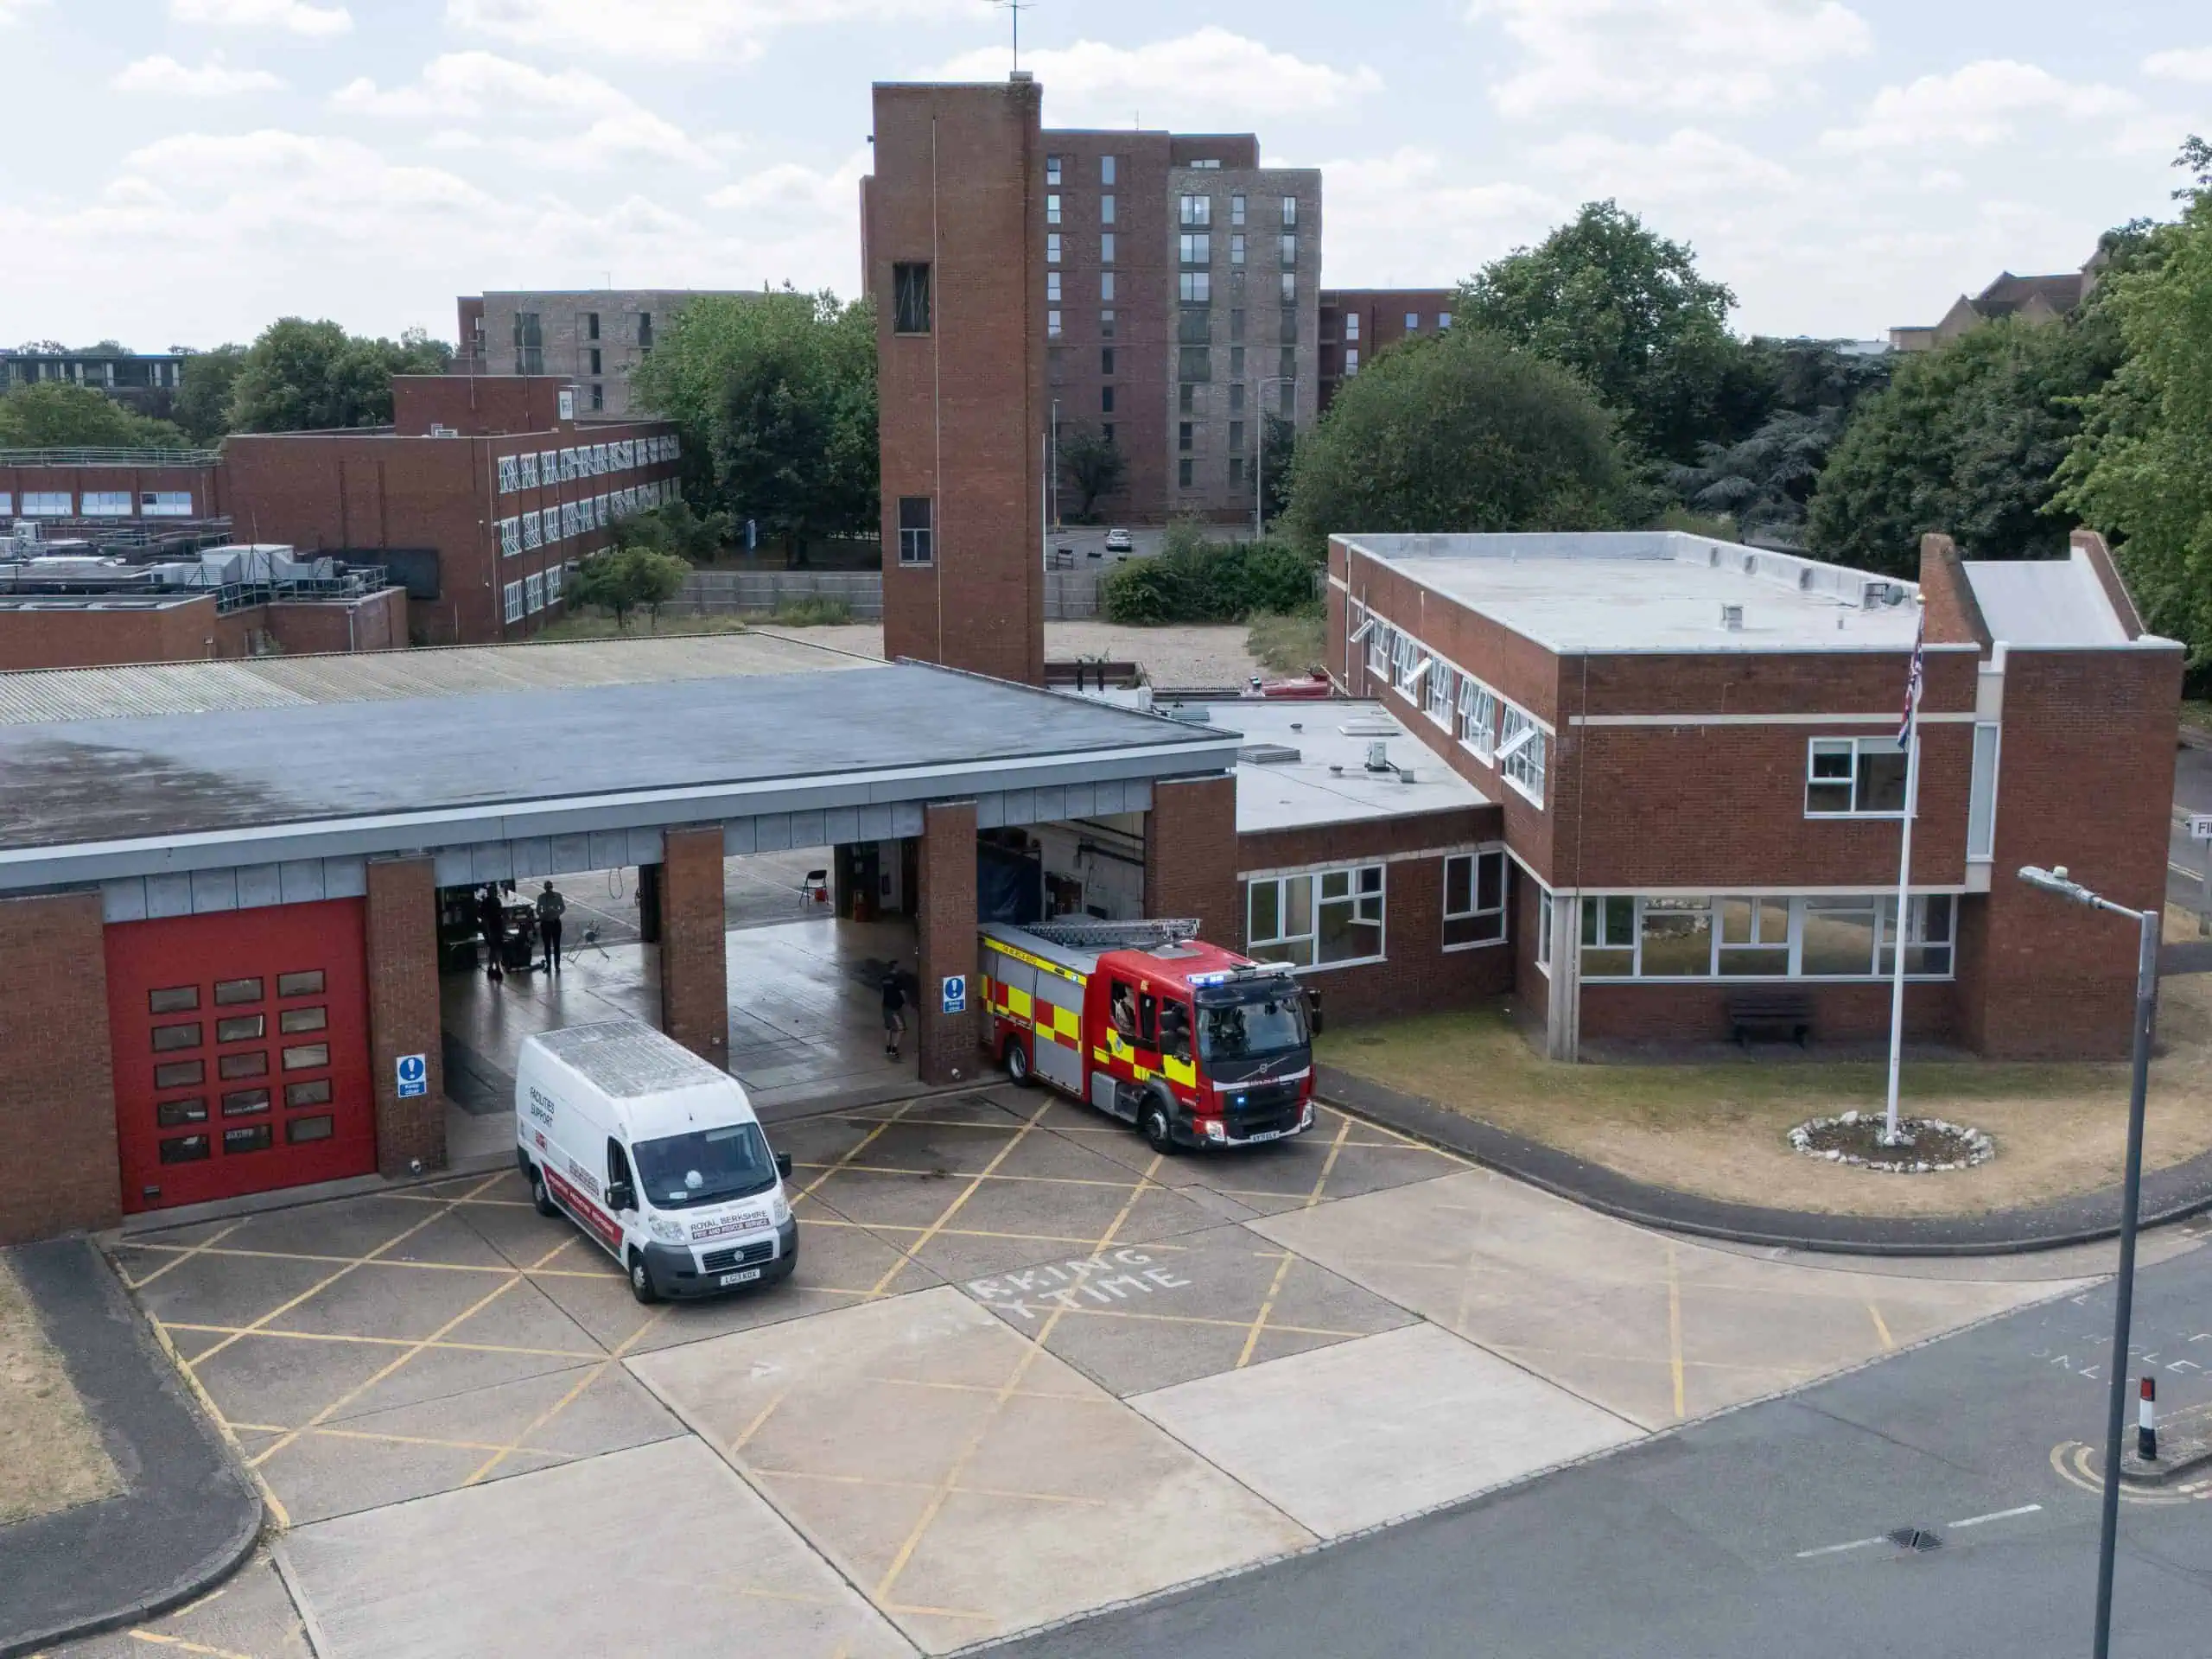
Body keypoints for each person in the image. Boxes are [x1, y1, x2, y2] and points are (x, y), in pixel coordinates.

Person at [537, 880, 567, 973]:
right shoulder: (541, 897)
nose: (549, 890)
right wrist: (543, 915)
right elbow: (538, 909)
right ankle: (549, 965)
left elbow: (562, 908)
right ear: (545, 888)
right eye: (547, 888)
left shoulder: (558, 896)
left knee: (556, 945)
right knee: (547, 946)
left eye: (550, 888)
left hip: (555, 922)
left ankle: (557, 966)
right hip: (546, 922)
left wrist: (556, 913)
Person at [477, 885, 505, 983]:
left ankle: (492, 966)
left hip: (495, 927)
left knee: (494, 949)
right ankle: (496, 967)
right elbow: (484, 918)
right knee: (495, 948)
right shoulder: (488, 902)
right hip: (492, 927)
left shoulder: (493, 901)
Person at [881, 967, 907, 1060]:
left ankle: (888, 1047)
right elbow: (902, 993)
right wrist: (905, 1002)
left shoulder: (884, 979)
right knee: (901, 1028)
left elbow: (883, 992)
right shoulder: (898, 979)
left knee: (888, 1027)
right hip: (895, 1008)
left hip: (886, 1007)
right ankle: (894, 1048)